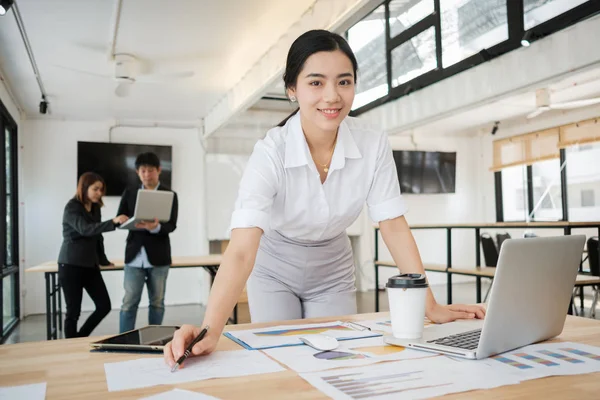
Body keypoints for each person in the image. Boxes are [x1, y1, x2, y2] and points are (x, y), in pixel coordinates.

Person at [164, 29, 485, 366]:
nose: (332, 96)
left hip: (332, 265)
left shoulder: (371, 142)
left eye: (344, 82)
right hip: (275, 265)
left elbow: (392, 225)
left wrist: (429, 306)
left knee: (339, 358)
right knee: (279, 361)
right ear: (292, 89)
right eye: (316, 82)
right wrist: (209, 329)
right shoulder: (271, 152)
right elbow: (242, 250)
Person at [58, 172, 129, 338]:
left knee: (104, 305)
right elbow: (85, 229)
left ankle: (80, 337)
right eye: (95, 189)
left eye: (101, 189)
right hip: (70, 264)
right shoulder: (72, 207)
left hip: (90, 265)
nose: (99, 193)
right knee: (73, 312)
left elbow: (97, 236)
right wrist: (113, 221)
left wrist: (103, 260)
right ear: (84, 187)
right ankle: (69, 346)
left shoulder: (95, 208)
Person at [118, 152, 178, 333]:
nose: (146, 174)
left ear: (159, 170)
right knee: (129, 302)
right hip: (134, 256)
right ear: (137, 172)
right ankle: (124, 340)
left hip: (159, 257)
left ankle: (154, 338)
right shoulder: (129, 192)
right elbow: (121, 217)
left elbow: (172, 225)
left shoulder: (170, 194)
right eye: (142, 171)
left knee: (157, 302)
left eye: (150, 170)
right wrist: (124, 220)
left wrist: (156, 227)